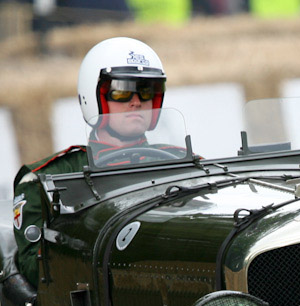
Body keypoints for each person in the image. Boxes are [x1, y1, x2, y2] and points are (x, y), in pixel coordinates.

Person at [13, 36, 183, 287]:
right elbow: (36, 272)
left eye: (146, 91)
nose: (136, 101)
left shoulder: (181, 165)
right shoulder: (44, 178)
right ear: (94, 97)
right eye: (122, 91)